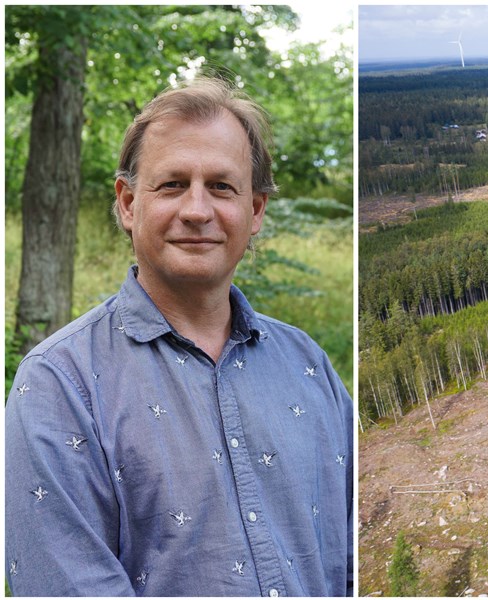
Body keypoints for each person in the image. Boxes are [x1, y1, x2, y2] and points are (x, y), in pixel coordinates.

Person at [5, 77, 353, 597]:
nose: (197, 210)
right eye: (171, 185)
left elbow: (353, 559)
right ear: (127, 203)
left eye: (221, 186)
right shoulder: (60, 385)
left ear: (255, 210)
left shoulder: (308, 365)